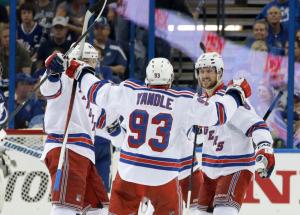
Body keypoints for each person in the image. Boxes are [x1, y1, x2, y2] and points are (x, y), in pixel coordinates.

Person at [45, 50, 252, 214]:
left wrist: (78, 69)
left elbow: (97, 92)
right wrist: (235, 93)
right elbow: (216, 115)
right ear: (170, 80)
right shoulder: (184, 100)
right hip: (162, 176)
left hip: (129, 173)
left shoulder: (130, 91)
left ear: (146, 79)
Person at [193, 52, 275, 215]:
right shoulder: (200, 101)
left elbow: (257, 125)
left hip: (235, 168)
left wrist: (265, 148)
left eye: (209, 71)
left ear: (220, 73)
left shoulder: (231, 98)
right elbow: (202, 137)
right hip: (210, 172)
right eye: (201, 71)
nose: (205, 75)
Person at [40, 42, 109, 215]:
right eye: (89, 61)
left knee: (97, 207)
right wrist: (53, 71)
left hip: (84, 154)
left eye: (93, 61)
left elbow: (102, 122)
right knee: (64, 206)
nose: (92, 65)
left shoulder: (93, 86)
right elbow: (48, 89)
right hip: (67, 146)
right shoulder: (66, 77)